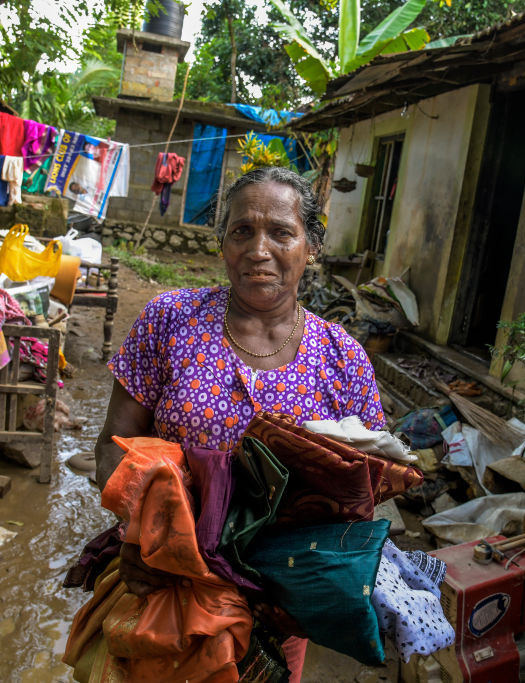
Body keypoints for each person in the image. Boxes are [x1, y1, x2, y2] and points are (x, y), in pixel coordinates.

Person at [94, 166, 386, 682]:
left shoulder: (343, 358)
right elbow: (112, 448)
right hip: (166, 584)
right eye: (242, 230)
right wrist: (139, 535)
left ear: (310, 246)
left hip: (280, 604)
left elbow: (367, 485)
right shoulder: (170, 320)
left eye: (281, 232)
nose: (259, 249)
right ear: (223, 242)